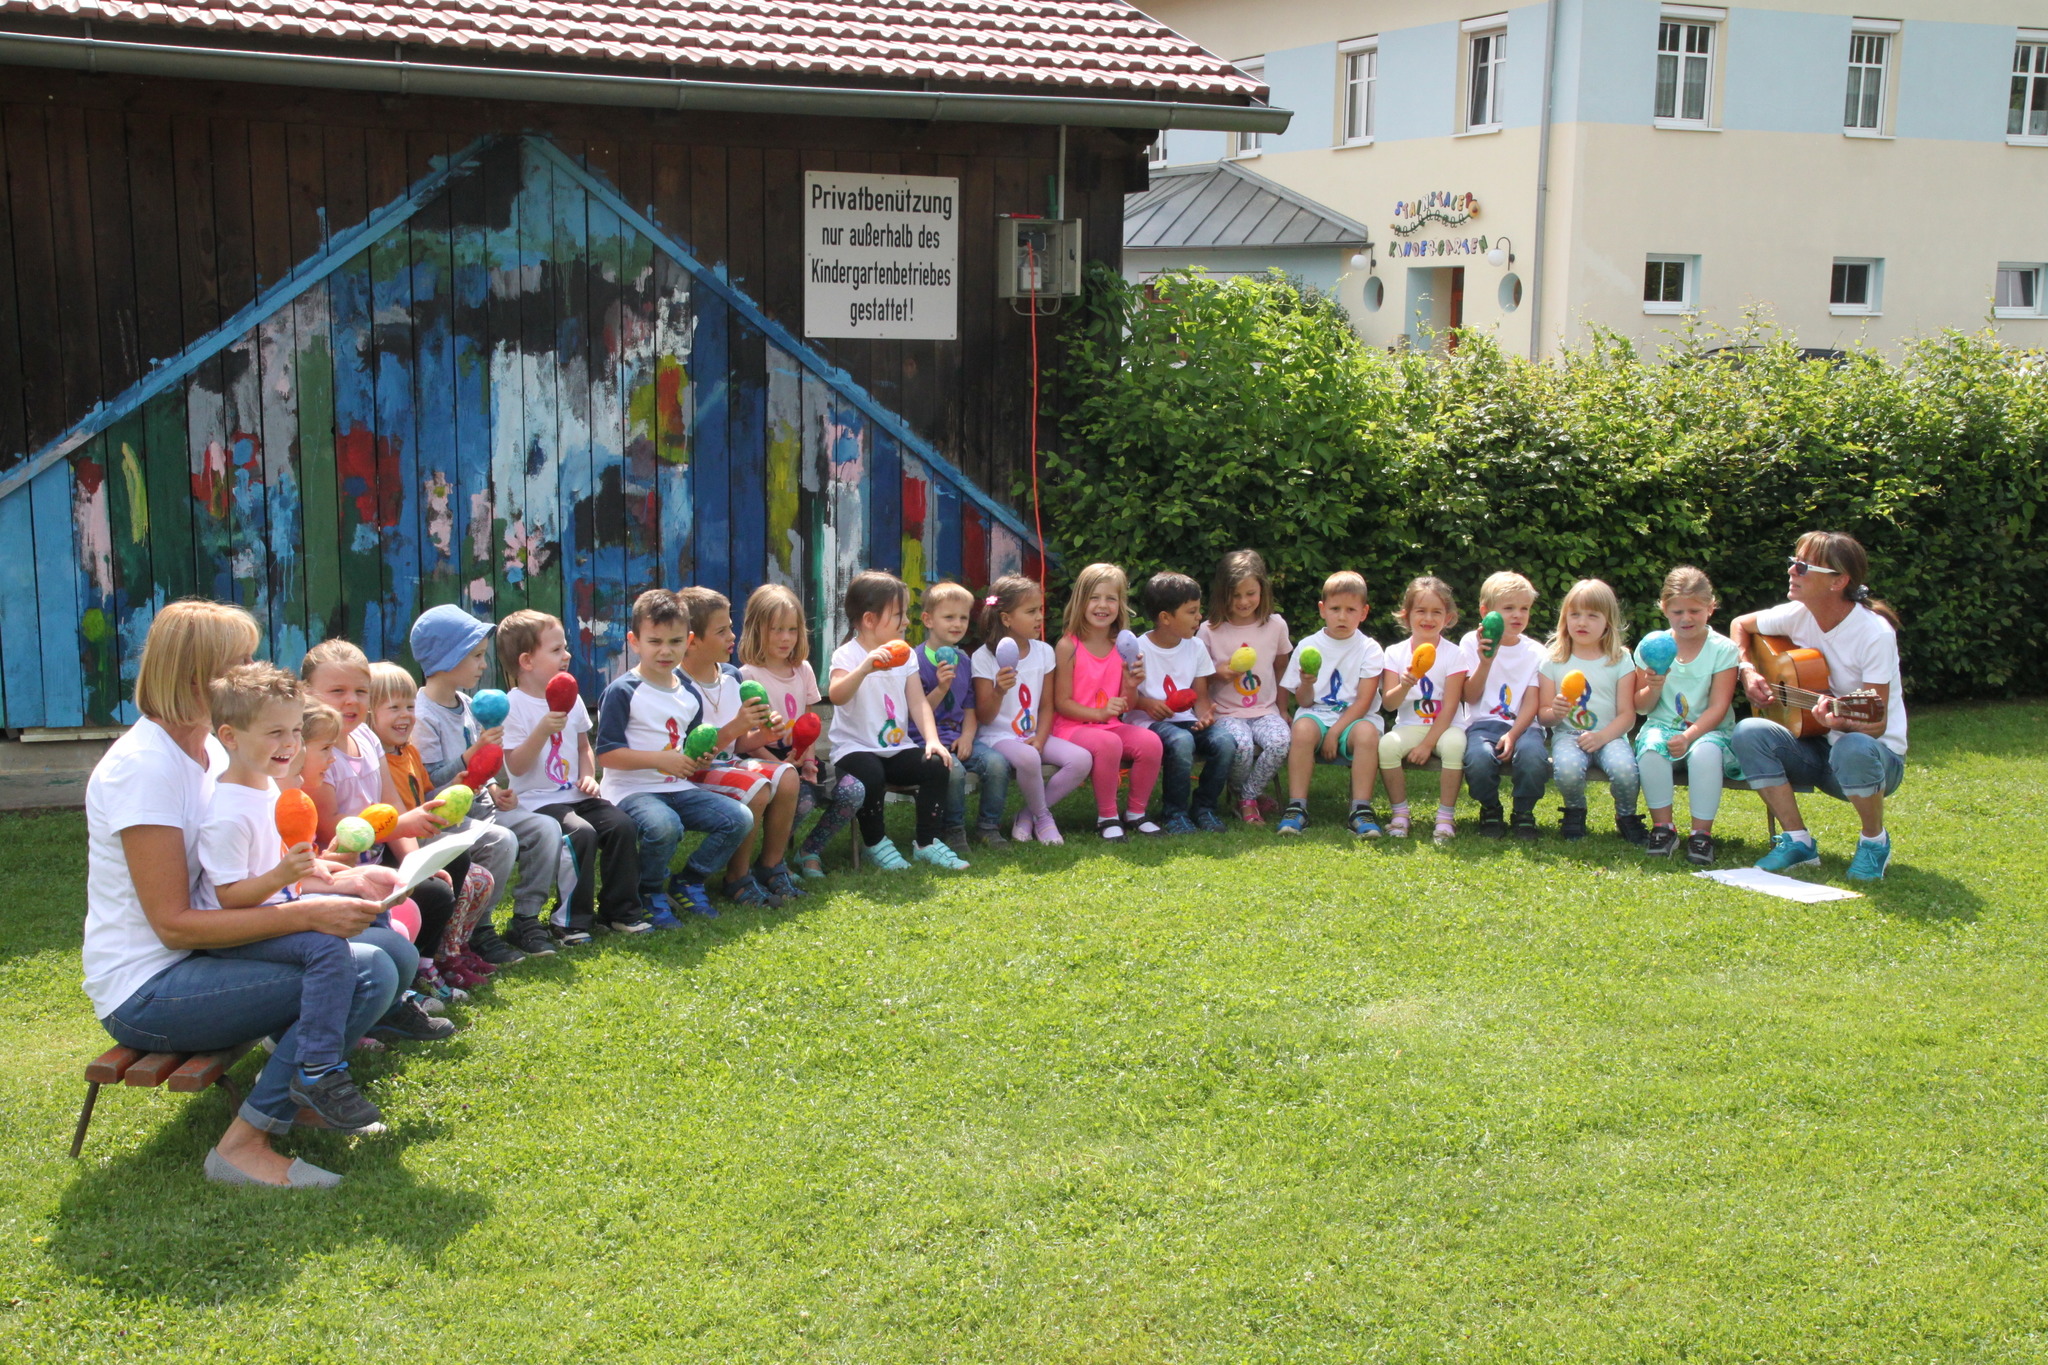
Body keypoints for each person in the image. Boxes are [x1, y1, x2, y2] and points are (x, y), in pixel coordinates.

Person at [85, 600, 395, 1187]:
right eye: (241, 660)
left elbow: (245, 862)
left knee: (381, 959)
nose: (255, 668)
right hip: (147, 991)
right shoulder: (144, 768)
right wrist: (310, 913)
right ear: (198, 674)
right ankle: (242, 1146)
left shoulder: (208, 749)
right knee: (358, 970)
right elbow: (175, 925)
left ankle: (295, 1095)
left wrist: (328, 876)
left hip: (201, 960)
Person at [194, 662, 383, 1133]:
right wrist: (286, 877)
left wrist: (325, 871)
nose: (290, 745)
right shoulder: (226, 812)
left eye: (296, 731)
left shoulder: (268, 792)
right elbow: (229, 898)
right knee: (325, 947)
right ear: (230, 737)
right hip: (237, 932)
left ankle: (304, 1063)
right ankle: (317, 1071)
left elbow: (285, 873)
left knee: (344, 936)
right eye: (274, 732)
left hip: (273, 913)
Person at [299, 638, 458, 1040]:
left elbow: (391, 804)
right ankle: (392, 994)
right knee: (420, 902)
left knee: (441, 880)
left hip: (376, 856)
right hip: (341, 865)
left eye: (360, 691)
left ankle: (411, 980)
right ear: (306, 693)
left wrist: (414, 863)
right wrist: (404, 828)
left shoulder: (368, 739)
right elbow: (330, 828)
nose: (350, 701)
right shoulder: (313, 753)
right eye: (337, 691)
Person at [1729, 532, 1907, 881]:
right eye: (1792, 562)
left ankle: (1874, 842)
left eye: (1803, 567)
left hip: (1877, 761)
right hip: (1816, 748)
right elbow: (1740, 625)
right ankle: (1797, 841)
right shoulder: (1798, 614)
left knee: (1854, 745)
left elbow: (1876, 723)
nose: (1792, 571)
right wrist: (1747, 670)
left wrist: (1840, 723)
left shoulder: (1875, 634)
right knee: (1749, 731)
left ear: (1838, 581)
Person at [409, 602, 563, 959]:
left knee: (544, 829)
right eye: (476, 656)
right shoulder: (423, 715)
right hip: (448, 817)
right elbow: (427, 784)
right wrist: (469, 756)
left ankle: (525, 918)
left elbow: (486, 765)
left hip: (482, 806)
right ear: (447, 659)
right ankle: (477, 928)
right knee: (502, 841)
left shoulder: (467, 703)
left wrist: (495, 787)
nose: (484, 664)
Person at [601, 589, 760, 920]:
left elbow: (692, 746)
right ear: (634, 641)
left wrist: (698, 760)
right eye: (655, 641)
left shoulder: (688, 694)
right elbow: (607, 756)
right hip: (632, 790)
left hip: (678, 787)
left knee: (738, 819)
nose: (665, 651)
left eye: (674, 642)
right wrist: (660, 760)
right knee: (664, 825)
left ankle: (689, 881)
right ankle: (648, 890)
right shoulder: (623, 691)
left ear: (688, 640)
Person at [498, 610, 647, 941]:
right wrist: (541, 729)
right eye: (556, 650)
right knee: (580, 834)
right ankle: (570, 921)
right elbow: (517, 768)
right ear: (526, 661)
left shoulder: (573, 698)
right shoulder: (513, 706)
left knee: (622, 825)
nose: (567, 655)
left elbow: (583, 747)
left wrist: (588, 775)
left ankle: (619, 911)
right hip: (537, 801)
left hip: (576, 794)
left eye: (564, 648)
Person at [367, 662, 499, 992]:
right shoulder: (375, 760)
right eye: (393, 707)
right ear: (369, 714)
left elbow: (423, 795)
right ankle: (433, 959)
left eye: (410, 706)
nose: (405, 715)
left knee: (478, 875)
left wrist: (451, 787)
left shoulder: (409, 751)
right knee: (457, 882)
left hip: (418, 837)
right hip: (393, 848)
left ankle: (454, 950)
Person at [826, 570, 967, 870]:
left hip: (895, 748)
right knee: (871, 772)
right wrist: (865, 668)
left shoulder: (907, 656)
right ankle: (875, 843)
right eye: (899, 614)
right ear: (869, 620)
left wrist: (932, 741)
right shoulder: (847, 655)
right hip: (854, 750)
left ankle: (927, 843)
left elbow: (917, 702)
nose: (906, 621)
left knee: (936, 763)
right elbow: (837, 695)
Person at [736, 583, 864, 877]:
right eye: (776, 629)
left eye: (792, 630)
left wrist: (808, 760)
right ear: (757, 629)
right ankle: (772, 860)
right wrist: (778, 765)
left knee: (854, 791)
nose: (785, 638)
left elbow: (809, 722)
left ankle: (811, 850)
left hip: (801, 756)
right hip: (765, 759)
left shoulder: (803, 669)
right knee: (802, 800)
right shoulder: (747, 676)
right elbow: (745, 739)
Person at [969, 575, 1092, 846]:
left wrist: (1041, 737)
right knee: (1027, 758)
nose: (1039, 617)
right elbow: (985, 717)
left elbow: (1047, 705)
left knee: (1081, 760)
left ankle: (1029, 814)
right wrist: (999, 690)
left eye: (1040, 610)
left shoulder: (1044, 652)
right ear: (1006, 618)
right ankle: (1044, 817)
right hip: (997, 737)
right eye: (1031, 611)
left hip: (1032, 733)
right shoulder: (983, 658)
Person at [1633, 566, 1742, 866]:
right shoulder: (1652, 646)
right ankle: (1663, 828)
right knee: (1652, 747)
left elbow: (1719, 707)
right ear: (1664, 608)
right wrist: (1653, 687)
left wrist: (1689, 736)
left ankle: (1701, 834)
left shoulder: (1722, 649)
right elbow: (1641, 707)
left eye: (1695, 611)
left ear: (1710, 608)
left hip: (1709, 731)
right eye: (1678, 611)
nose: (1686, 619)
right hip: (1662, 726)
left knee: (1705, 754)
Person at [1051, 562, 1165, 841]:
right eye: (1095, 597)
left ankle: (1136, 813)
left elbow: (1127, 704)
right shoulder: (1068, 645)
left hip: (1108, 725)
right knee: (1108, 743)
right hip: (1071, 727)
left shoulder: (1123, 645)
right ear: (1080, 601)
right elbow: (1062, 703)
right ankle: (1107, 816)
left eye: (1110, 599)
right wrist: (1101, 713)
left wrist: (1132, 684)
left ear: (1120, 604)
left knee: (1151, 742)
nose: (1103, 605)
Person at [1535, 579, 1646, 844]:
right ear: (1565, 618)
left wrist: (1602, 737)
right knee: (1568, 769)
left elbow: (1627, 715)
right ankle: (1575, 810)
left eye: (1592, 615)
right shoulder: (1553, 659)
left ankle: (1626, 816)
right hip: (1568, 734)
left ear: (1608, 621)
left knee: (1625, 770)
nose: (1582, 622)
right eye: (1575, 615)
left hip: (1610, 734)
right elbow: (1543, 715)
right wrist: (1556, 712)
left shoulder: (1619, 659)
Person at [1277, 571, 1385, 837]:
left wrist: (1335, 733)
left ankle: (1360, 809)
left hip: (1354, 719)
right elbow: (1302, 701)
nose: (1342, 616)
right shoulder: (1308, 646)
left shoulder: (1369, 649)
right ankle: (1297, 807)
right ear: (1322, 610)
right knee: (1301, 729)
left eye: (1351, 610)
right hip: (1317, 714)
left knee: (1368, 734)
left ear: (1364, 612)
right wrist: (1306, 682)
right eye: (1335, 609)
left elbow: (1364, 701)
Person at [1125, 572, 1233, 835]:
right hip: (1148, 723)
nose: (1199, 618)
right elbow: (1128, 699)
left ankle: (1204, 808)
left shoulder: (1195, 647)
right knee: (1181, 742)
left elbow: (1201, 696)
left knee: (1225, 742)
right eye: (1192, 611)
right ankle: (1175, 813)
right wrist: (1147, 703)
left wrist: (1205, 716)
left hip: (1185, 720)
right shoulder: (1138, 649)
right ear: (1165, 618)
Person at [1198, 550, 1293, 824]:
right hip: (1227, 713)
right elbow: (1199, 677)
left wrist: (1283, 709)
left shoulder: (1275, 625)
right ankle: (1247, 798)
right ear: (1222, 593)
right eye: (1235, 595)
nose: (1243, 602)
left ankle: (1247, 796)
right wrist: (1217, 673)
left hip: (1265, 711)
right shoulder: (1209, 630)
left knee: (1280, 741)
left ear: (1262, 590)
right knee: (1239, 747)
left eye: (1250, 593)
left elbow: (1281, 668)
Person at [1378, 577, 1473, 843]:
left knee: (1455, 746)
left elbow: (1452, 705)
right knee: (1387, 746)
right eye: (1421, 611)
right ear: (1407, 616)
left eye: (1436, 612)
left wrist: (1427, 745)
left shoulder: (1454, 655)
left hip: (1447, 726)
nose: (1428, 618)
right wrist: (1405, 685)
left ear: (1448, 617)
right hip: (1409, 725)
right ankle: (1399, 814)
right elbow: (1389, 704)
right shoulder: (1394, 653)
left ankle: (1445, 818)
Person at [909, 581, 1001, 852]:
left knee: (996, 763)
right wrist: (941, 688)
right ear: (928, 619)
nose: (957, 624)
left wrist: (968, 737)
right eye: (948, 617)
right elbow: (915, 712)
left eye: (962, 617)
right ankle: (953, 830)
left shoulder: (965, 660)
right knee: (953, 771)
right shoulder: (914, 661)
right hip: (923, 739)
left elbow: (969, 707)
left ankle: (989, 826)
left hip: (957, 736)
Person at [1458, 572, 1550, 840]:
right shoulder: (1470, 643)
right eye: (1508, 608)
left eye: (1524, 609)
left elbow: (1532, 701)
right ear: (1486, 612)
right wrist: (1486, 661)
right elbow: (1470, 697)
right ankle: (1490, 809)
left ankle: (1523, 812)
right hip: (1482, 724)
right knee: (1477, 760)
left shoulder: (1536, 652)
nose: (1517, 615)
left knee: (1534, 758)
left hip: (1524, 725)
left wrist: (1513, 734)